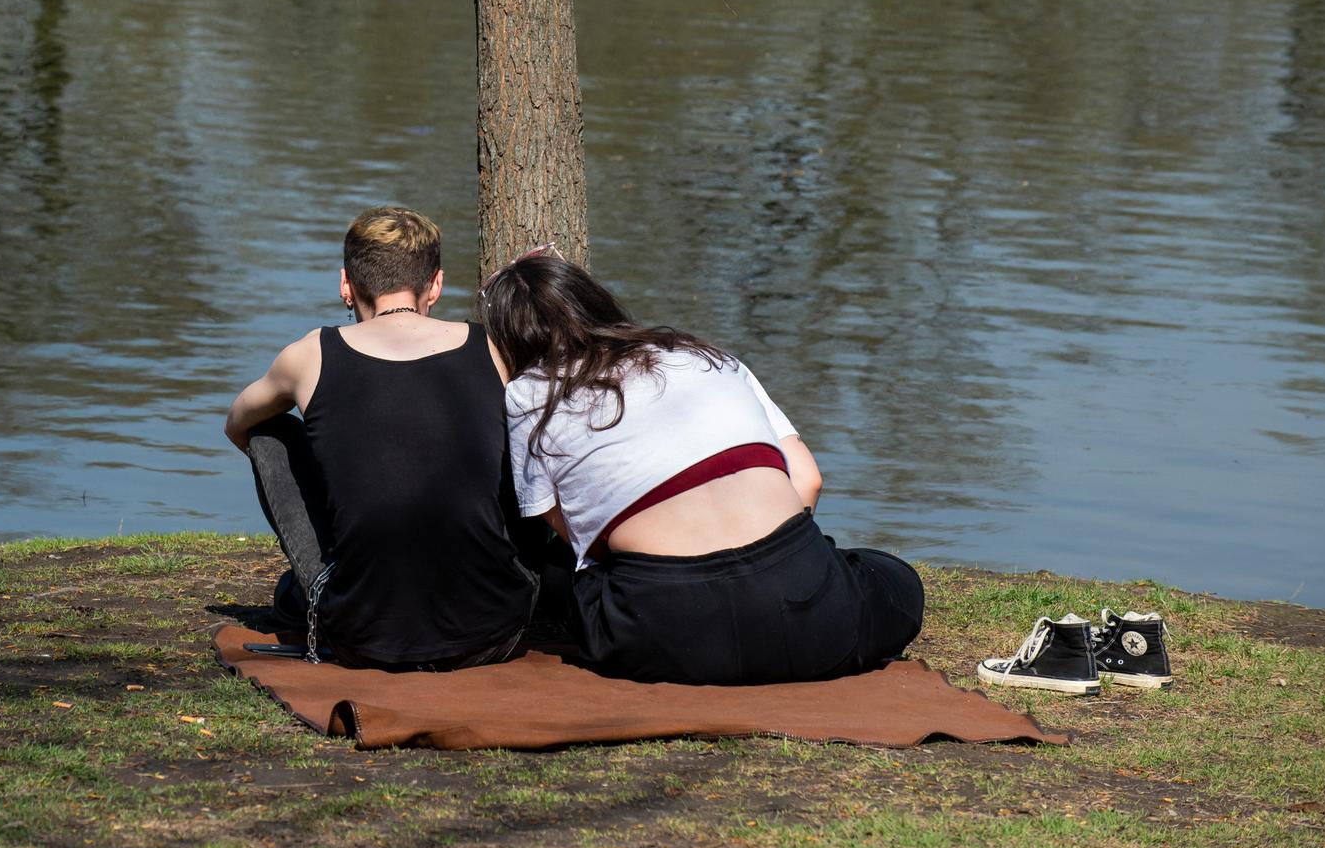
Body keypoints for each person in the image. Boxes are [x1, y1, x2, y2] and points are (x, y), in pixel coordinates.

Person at [479, 249, 923, 686]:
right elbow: (809, 480)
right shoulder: (706, 357)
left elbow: (557, 523)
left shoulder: (528, 393)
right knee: (892, 578)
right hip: (811, 623)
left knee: (556, 573)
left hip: (663, 636)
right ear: (598, 301)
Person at [224, 207, 537, 669]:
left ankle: (320, 589)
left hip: (362, 635)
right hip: (494, 629)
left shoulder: (309, 355)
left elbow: (238, 425)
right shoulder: (491, 347)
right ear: (436, 285)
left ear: (345, 285)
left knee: (270, 432)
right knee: (513, 431)